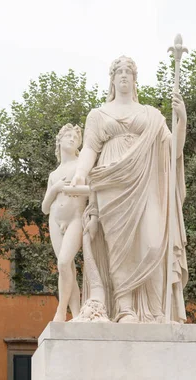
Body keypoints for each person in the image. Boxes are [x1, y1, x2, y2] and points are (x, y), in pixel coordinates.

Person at [70, 56, 188, 323]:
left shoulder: (152, 116)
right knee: (118, 245)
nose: (123, 76)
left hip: (145, 182)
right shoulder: (98, 115)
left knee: (154, 241)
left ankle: (156, 311)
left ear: (135, 79)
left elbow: (173, 151)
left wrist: (181, 120)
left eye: (128, 72)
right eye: (119, 72)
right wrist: (80, 172)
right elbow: (89, 148)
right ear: (112, 79)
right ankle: (125, 308)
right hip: (111, 180)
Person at [42, 124, 86, 321]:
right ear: (59, 141)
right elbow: (44, 207)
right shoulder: (54, 175)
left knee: (64, 262)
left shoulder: (82, 164)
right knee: (66, 268)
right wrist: (56, 188)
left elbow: (93, 190)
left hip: (75, 218)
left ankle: (61, 310)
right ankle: (76, 314)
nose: (72, 139)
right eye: (68, 136)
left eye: (76, 138)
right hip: (55, 220)